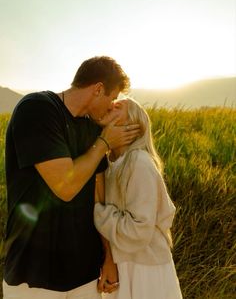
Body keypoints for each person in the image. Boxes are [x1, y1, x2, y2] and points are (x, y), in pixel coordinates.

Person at [3, 56, 140, 299]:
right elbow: (65, 187)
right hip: (32, 276)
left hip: (84, 275)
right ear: (98, 89)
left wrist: (108, 257)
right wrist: (105, 142)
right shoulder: (37, 109)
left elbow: (100, 201)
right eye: (112, 97)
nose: (112, 105)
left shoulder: (92, 129)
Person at [94, 97, 183, 299]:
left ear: (130, 125)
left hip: (145, 268)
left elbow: (139, 229)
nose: (110, 104)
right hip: (126, 264)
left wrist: (97, 212)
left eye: (118, 106)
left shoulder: (139, 163)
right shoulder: (110, 164)